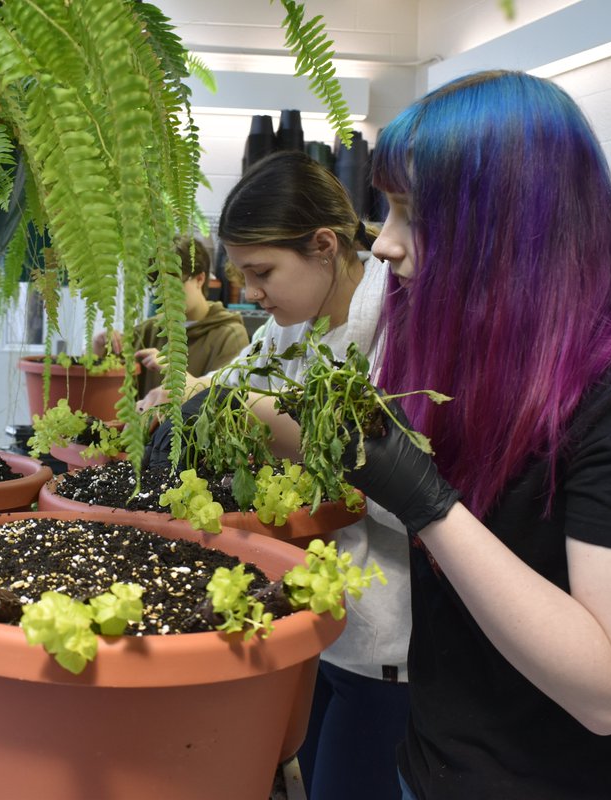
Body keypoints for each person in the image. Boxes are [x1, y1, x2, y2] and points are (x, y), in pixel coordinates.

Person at [343, 70, 611, 799]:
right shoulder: (488, 366)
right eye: (387, 212)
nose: (384, 245)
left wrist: (427, 502)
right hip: (436, 767)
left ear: (505, 227)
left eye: (412, 215)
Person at [147, 150, 412, 800]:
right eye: (241, 275)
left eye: (262, 272)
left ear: (324, 246)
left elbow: (411, 496)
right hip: (309, 622)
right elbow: (240, 381)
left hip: (384, 642)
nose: (252, 293)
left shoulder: (402, 334)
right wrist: (193, 388)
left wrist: (257, 412)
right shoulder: (290, 328)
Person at [93, 234, 248, 398]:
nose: (164, 295)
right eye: (158, 287)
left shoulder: (230, 336)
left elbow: (225, 402)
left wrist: (175, 374)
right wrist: (98, 349)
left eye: (173, 285)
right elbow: (105, 393)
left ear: (200, 279)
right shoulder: (148, 331)